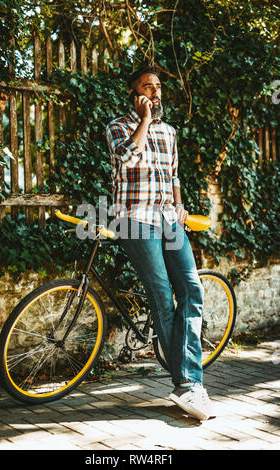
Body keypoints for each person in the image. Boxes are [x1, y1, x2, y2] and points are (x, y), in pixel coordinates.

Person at [106, 66, 215, 421]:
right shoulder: (119, 127)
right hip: (134, 220)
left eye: (157, 87)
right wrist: (145, 119)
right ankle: (187, 385)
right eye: (146, 87)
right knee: (161, 296)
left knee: (191, 290)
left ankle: (188, 382)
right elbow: (126, 158)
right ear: (133, 94)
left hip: (168, 219)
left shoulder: (169, 133)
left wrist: (180, 204)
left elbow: (173, 175)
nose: (155, 92)